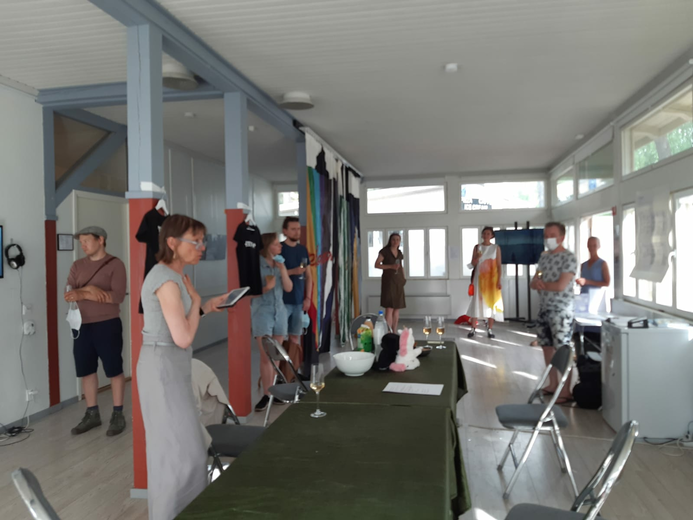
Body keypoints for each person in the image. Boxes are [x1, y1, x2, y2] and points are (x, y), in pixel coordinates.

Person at [138, 214, 230, 520]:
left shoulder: (176, 276)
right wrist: (198, 299)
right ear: (172, 242)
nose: (202, 247)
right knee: (177, 456)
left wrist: (205, 306)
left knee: (186, 451)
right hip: (162, 367)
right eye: (196, 241)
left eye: (203, 240)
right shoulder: (166, 280)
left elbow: (177, 323)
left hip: (172, 366)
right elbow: (183, 337)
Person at [64, 226, 127, 437]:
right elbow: (68, 294)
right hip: (81, 325)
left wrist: (82, 293)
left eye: (86, 241)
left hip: (107, 324)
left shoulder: (116, 264)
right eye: (81, 242)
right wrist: (92, 291)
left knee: (114, 369)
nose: (83, 245)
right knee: (86, 370)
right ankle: (92, 414)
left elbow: (117, 296)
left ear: (101, 240)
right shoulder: (77, 266)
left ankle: (118, 414)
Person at [530, 222, 577, 404]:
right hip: (544, 308)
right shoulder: (544, 257)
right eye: (546, 235)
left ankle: (565, 391)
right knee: (547, 347)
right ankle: (552, 384)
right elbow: (534, 281)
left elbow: (560, 285)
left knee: (562, 349)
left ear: (561, 237)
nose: (548, 238)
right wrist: (537, 283)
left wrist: (541, 285)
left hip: (561, 310)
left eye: (552, 235)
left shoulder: (569, 258)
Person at [252, 232, 293, 412]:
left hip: (280, 311)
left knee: (276, 355)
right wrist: (266, 288)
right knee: (265, 356)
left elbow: (288, 288)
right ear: (268, 246)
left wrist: (282, 269)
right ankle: (266, 394)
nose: (280, 246)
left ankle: (274, 391)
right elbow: (250, 293)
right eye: (277, 244)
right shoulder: (256, 266)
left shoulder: (279, 264)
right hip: (262, 312)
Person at [281, 217, 313, 377]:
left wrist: (308, 298)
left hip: (299, 301)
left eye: (298, 229)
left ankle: (292, 373)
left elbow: (309, 276)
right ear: (285, 231)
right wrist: (293, 271)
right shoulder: (279, 249)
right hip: (282, 301)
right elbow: (273, 274)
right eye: (293, 229)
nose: (297, 232)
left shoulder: (302, 250)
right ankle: (279, 372)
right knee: (279, 338)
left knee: (295, 337)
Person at [466, 226, 504, 338]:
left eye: (488, 233)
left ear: (492, 236)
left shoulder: (496, 248)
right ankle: (473, 328)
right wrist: (477, 258)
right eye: (484, 233)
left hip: (492, 279)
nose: (486, 235)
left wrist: (499, 280)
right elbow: (472, 265)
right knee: (476, 301)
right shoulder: (477, 247)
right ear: (482, 235)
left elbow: (499, 265)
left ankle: (490, 329)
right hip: (479, 279)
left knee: (491, 302)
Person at [374, 233, 406, 331]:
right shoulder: (385, 251)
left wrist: (403, 278)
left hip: (398, 281)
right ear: (390, 240)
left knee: (397, 308)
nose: (395, 241)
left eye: (398, 239)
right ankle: (388, 332)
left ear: (399, 241)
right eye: (393, 239)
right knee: (389, 308)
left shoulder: (399, 253)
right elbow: (377, 264)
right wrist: (391, 266)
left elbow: (401, 266)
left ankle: (394, 331)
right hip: (388, 282)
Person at [576, 236, 611, 303]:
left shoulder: (602, 264)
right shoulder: (583, 265)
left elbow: (607, 283)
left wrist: (587, 282)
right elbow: (583, 283)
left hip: (596, 299)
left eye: (594, 245)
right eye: (590, 245)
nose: (591, 248)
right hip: (583, 297)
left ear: (599, 246)